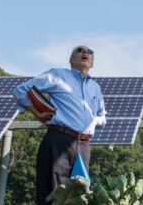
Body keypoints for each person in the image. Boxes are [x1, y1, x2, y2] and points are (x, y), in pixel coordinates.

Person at [11, 46, 106, 205]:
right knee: (53, 194)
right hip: (59, 140)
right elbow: (21, 90)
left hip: (84, 145)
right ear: (71, 59)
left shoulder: (95, 87)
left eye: (90, 52)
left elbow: (102, 116)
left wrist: (93, 121)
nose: (85, 53)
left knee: (81, 196)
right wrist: (36, 113)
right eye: (80, 50)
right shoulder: (57, 75)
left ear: (92, 62)